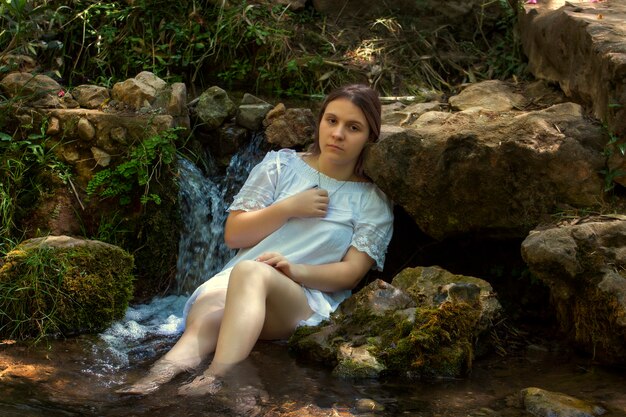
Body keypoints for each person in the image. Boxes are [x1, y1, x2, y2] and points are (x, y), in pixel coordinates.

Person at [120, 84, 394, 396]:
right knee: (211, 319)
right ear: (319, 122)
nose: (338, 133)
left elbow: (351, 273)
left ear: (369, 138)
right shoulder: (280, 166)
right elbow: (234, 234)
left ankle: (218, 377)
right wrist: (288, 208)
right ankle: (150, 382)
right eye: (331, 121)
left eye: (353, 127)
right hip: (233, 285)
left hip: (300, 300)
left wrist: (293, 270)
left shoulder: (373, 200)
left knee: (252, 271)